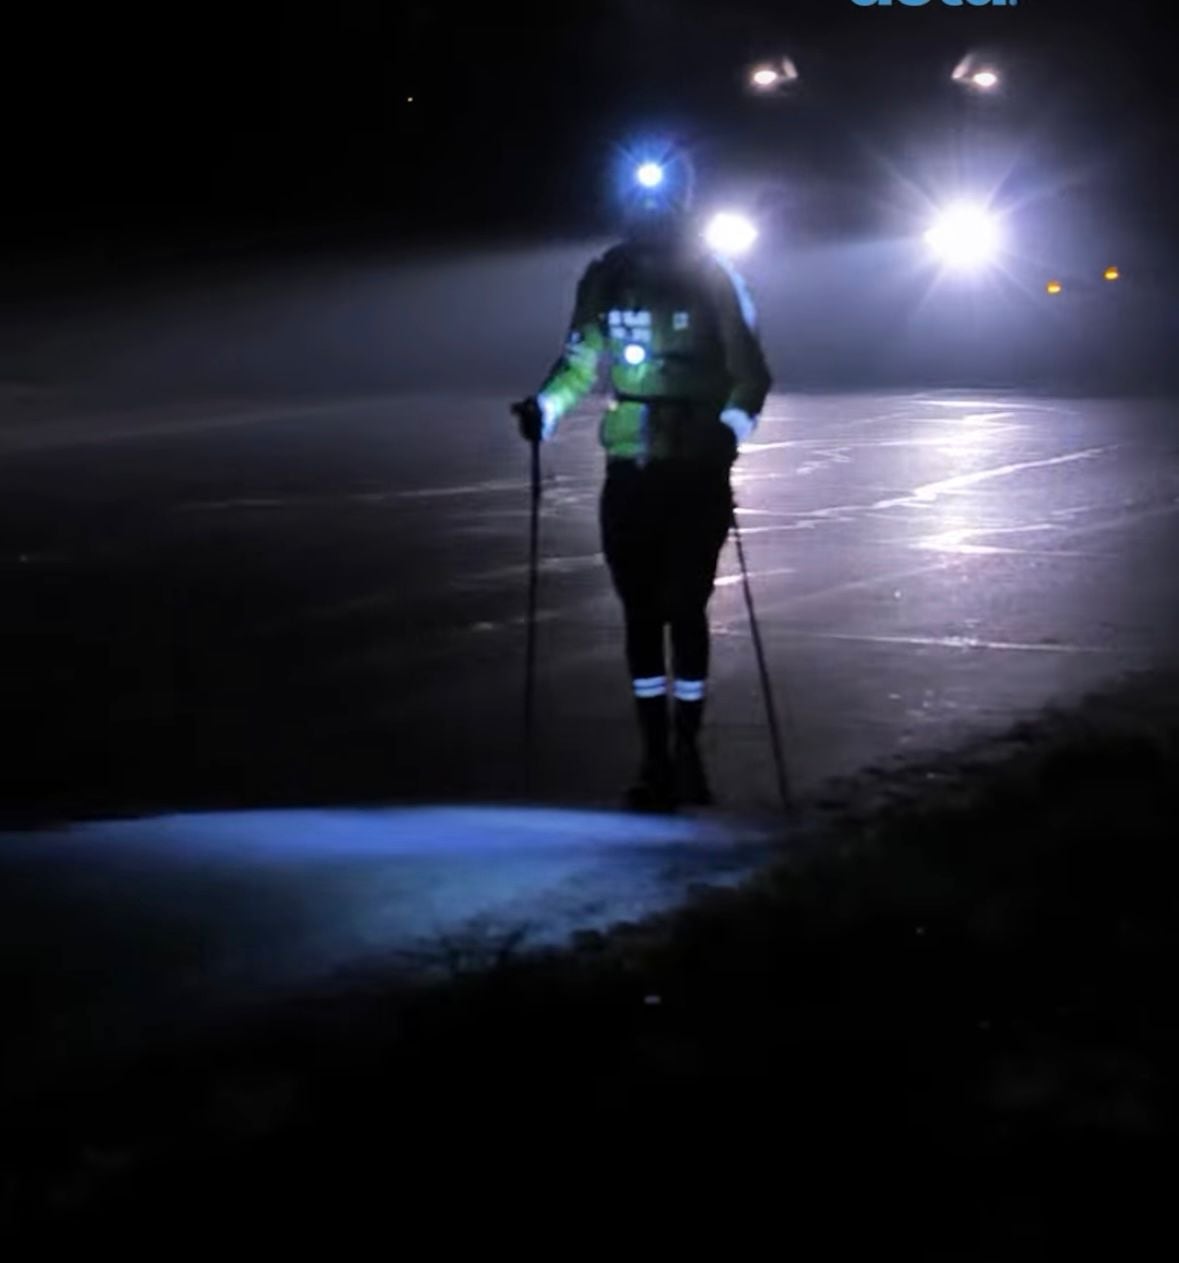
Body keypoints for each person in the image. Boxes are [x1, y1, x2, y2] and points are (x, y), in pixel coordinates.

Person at [513, 149, 772, 810]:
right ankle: (653, 756)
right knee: (638, 614)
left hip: (694, 471)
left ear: (682, 203)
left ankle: (688, 747)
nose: (648, 210)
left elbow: (750, 375)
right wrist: (543, 409)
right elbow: (578, 363)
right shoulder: (607, 276)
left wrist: (728, 433)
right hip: (628, 466)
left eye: (660, 199)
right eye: (637, 197)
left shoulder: (715, 278)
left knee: (684, 607)